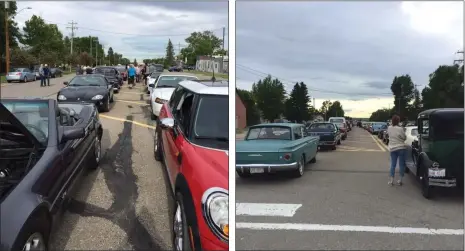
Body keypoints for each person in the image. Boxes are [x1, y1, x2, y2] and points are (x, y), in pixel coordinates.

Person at [387, 115, 407, 186]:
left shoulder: (389, 128)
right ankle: (400, 180)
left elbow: (389, 135)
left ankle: (391, 181)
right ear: (398, 121)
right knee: (401, 164)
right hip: (401, 147)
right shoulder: (400, 129)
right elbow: (404, 138)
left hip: (392, 148)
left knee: (393, 164)